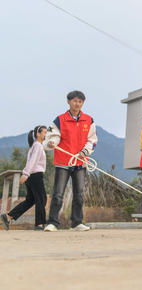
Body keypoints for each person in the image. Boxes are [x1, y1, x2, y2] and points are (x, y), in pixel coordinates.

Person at [44, 91, 97, 232]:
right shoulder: (59, 120)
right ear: (68, 102)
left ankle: (76, 223)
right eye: (74, 101)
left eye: (80, 102)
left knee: (79, 194)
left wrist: (84, 152)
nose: (77, 104)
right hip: (63, 161)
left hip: (80, 162)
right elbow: (53, 136)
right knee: (58, 193)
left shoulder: (89, 120)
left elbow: (92, 140)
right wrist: (52, 143)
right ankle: (53, 223)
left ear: (83, 103)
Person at [2, 126, 48, 231]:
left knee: (30, 200)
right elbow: (33, 161)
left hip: (32, 175)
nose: (46, 135)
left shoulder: (35, 145)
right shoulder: (37, 146)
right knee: (41, 199)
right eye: (44, 132)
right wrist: (26, 174)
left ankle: (9, 217)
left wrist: (26, 174)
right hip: (35, 175)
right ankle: (39, 224)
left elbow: (31, 161)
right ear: (38, 134)